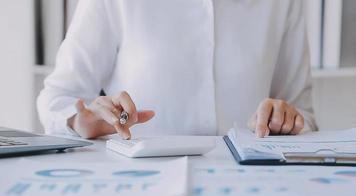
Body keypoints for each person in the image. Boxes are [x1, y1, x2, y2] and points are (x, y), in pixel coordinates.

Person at [37, 0, 317, 140]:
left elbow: (304, 116)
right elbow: (59, 96)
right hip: (139, 185)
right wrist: (79, 121)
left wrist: (287, 121)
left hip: (252, 185)